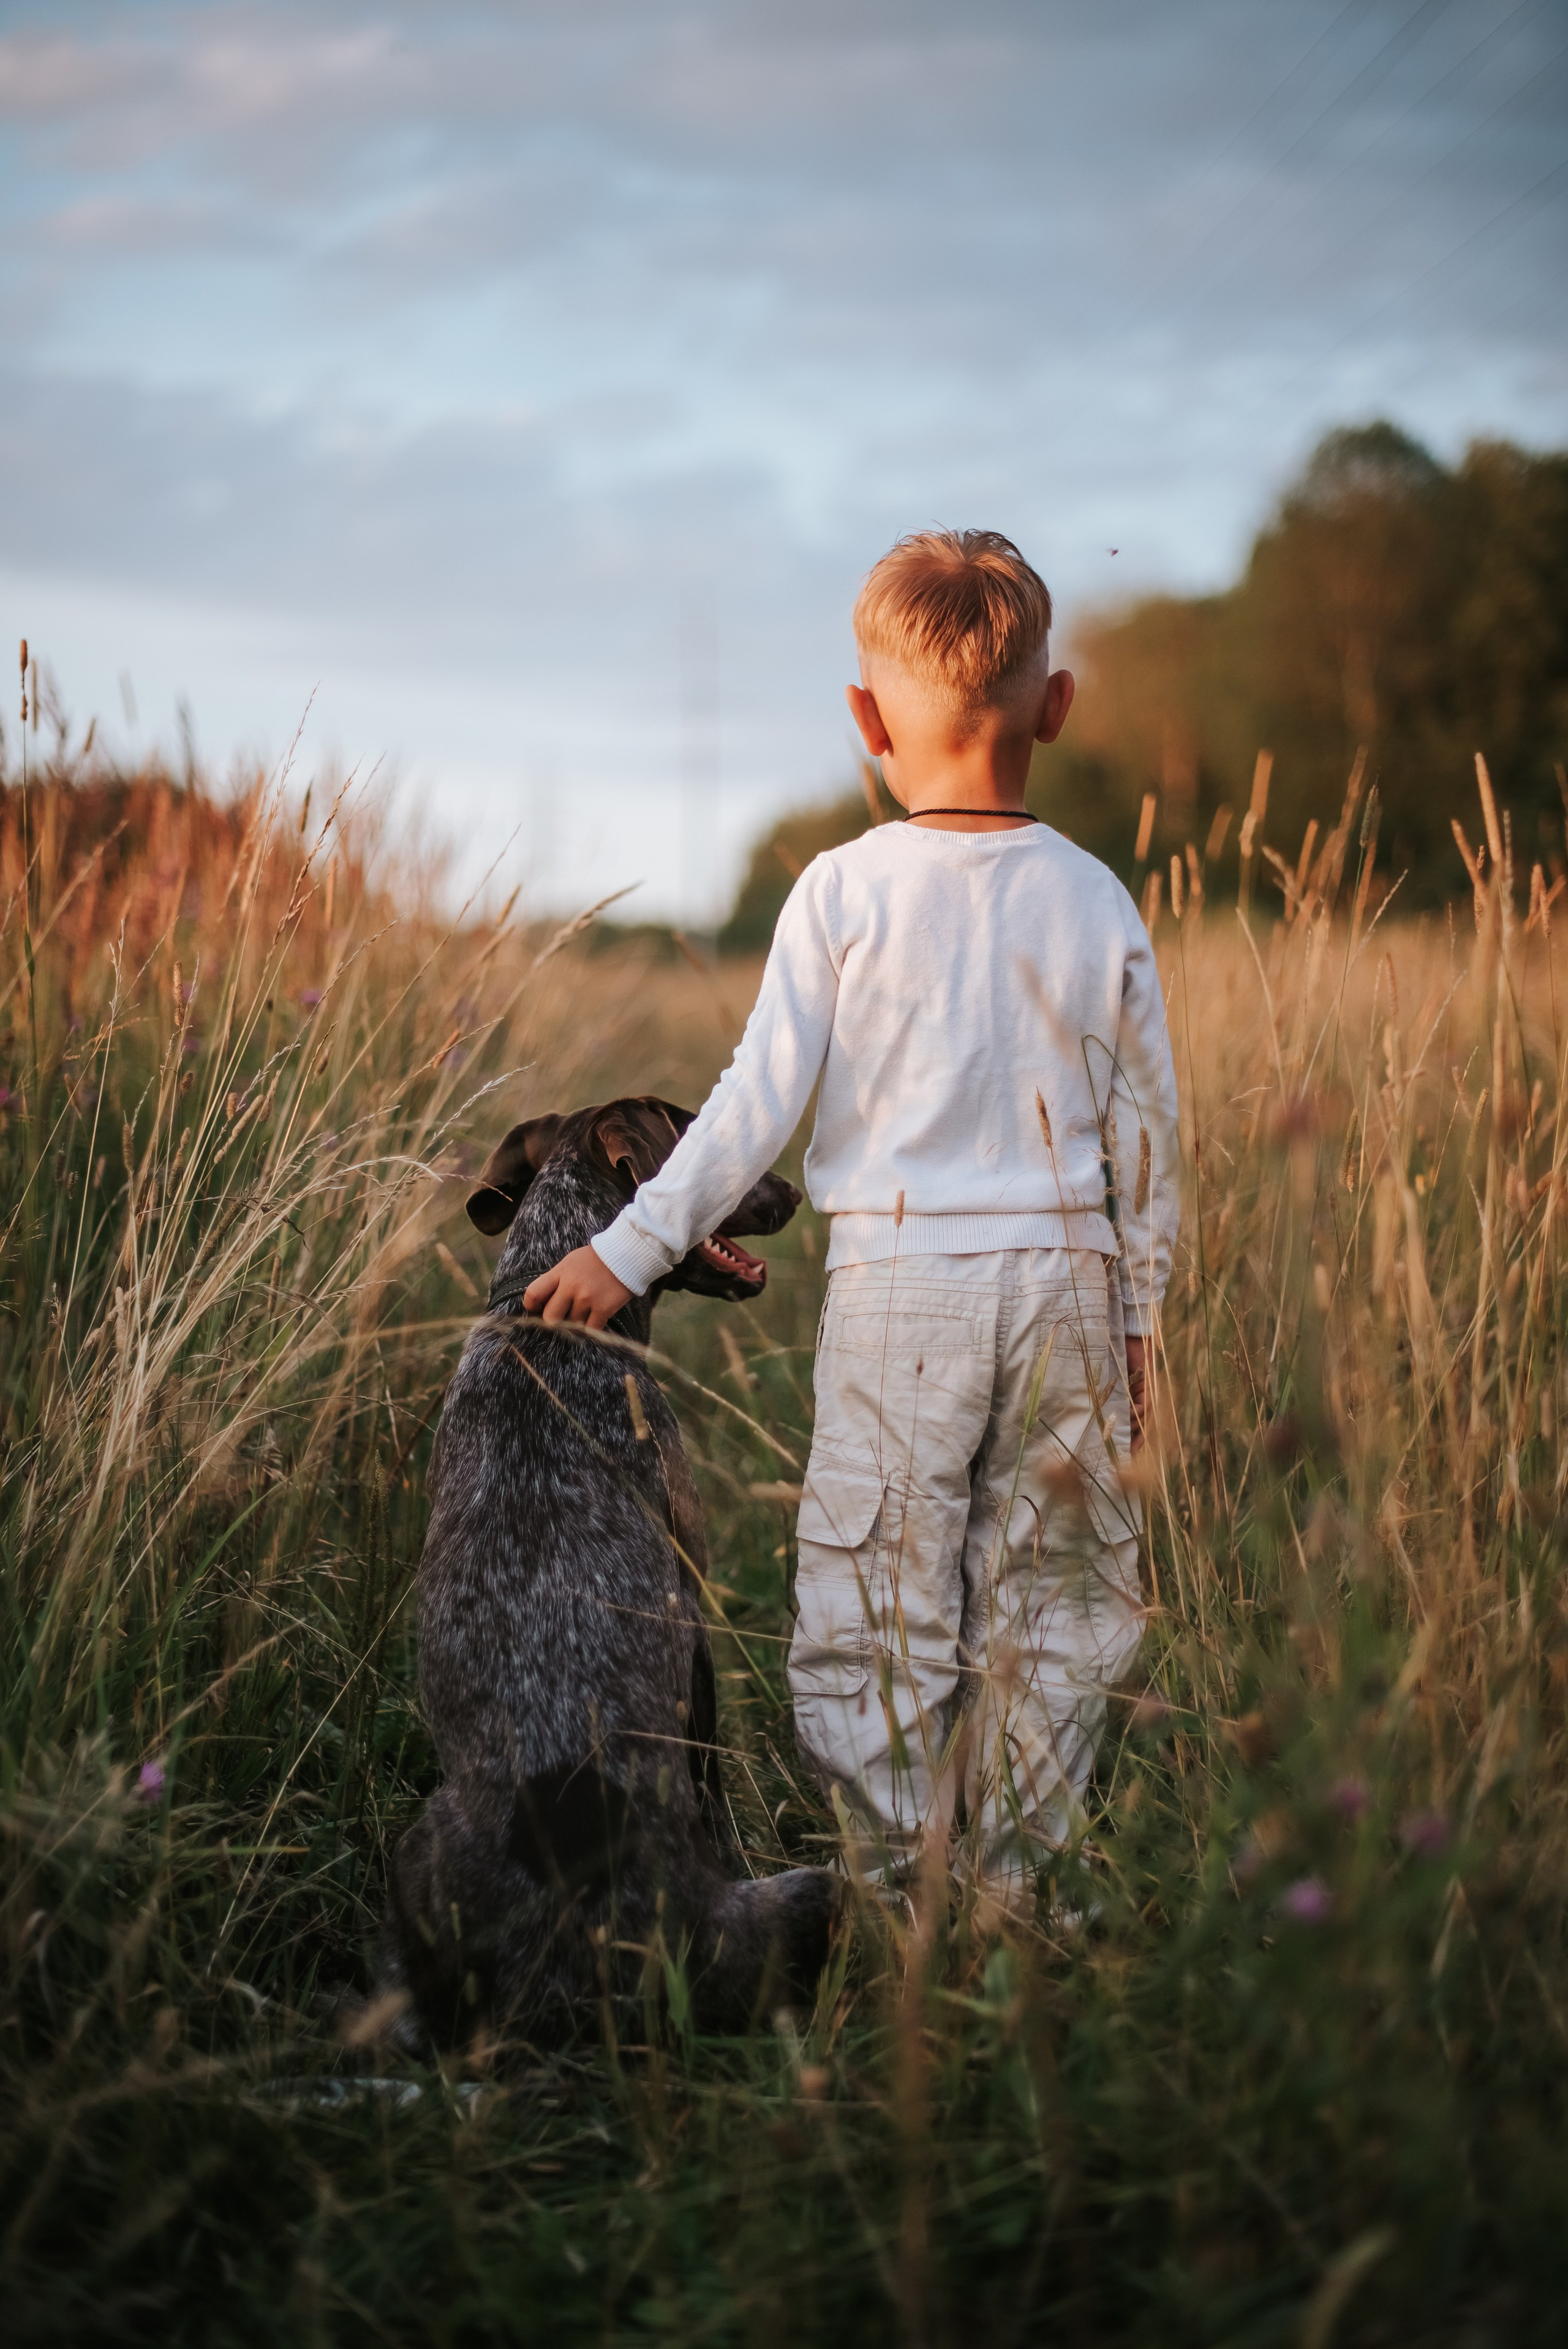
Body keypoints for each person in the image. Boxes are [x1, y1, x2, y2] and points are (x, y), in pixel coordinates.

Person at [524, 529, 1180, 1908]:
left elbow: (751, 1106)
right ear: (1053, 710)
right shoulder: (1093, 897)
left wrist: (623, 1246)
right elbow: (1147, 1140)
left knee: (874, 1600)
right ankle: (1019, 1892)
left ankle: (896, 1897)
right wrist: (1140, 1319)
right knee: (1054, 1602)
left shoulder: (841, 892)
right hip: (1067, 1288)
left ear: (864, 722)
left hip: (903, 1300)